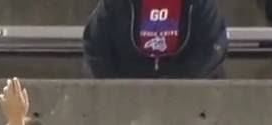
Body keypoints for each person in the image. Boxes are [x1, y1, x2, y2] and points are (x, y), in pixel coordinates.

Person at [83, 0, 229, 79]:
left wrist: (180, 89)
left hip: (188, 100)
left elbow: (213, 48)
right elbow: (95, 48)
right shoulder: (115, 4)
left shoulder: (200, 3)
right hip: (125, 101)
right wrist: (118, 92)